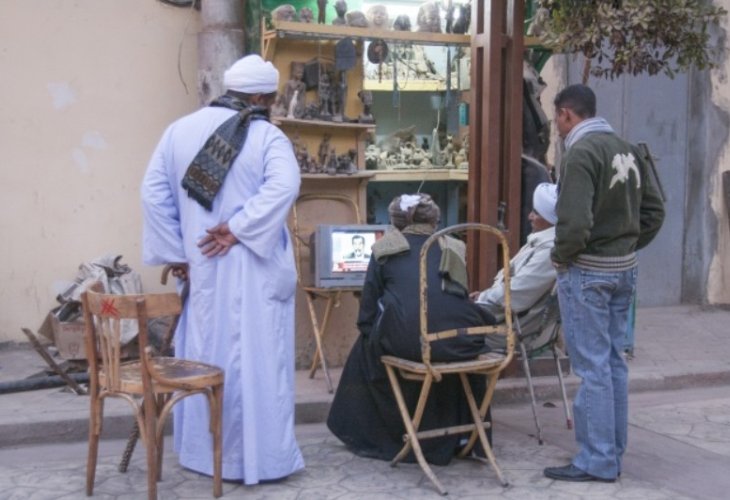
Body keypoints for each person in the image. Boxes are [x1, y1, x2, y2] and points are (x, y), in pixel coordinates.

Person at [141, 54, 304, 484]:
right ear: (260, 96)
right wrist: (238, 228)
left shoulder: (178, 131)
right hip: (253, 269)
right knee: (257, 363)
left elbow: (152, 194)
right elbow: (285, 185)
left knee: (206, 356)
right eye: (269, 99)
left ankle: (202, 455)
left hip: (204, 268)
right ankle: (260, 459)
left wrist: (180, 254)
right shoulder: (267, 136)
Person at [543, 84, 664, 483]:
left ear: (566, 114)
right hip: (623, 270)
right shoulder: (628, 147)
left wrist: (561, 257)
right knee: (613, 365)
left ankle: (596, 460)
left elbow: (573, 224)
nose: (557, 128)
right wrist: (627, 245)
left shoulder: (580, 153)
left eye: (557, 120)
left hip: (589, 272)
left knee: (592, 367)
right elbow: (654, 211)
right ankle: (612, 453)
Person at [327, 193, 497, 465]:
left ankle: (384, 433)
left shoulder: (385, 250)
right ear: (435, 219)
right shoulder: (453, 246)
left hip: (413, 342)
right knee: (450, 349)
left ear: (396, 221)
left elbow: (367, 313)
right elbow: (457, 297)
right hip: (457, 341)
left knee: (368, 347)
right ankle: (464, 436)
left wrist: (376, 331)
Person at [471, 182, 558, 349]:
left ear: (550, 219)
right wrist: (483, 297)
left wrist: (481, 299)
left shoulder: (548, 250)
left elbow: (516, 293)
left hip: (517, 329)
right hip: (511, 318)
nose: (530, 217)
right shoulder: (541, 241)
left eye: (536, 213)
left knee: (445, 323)